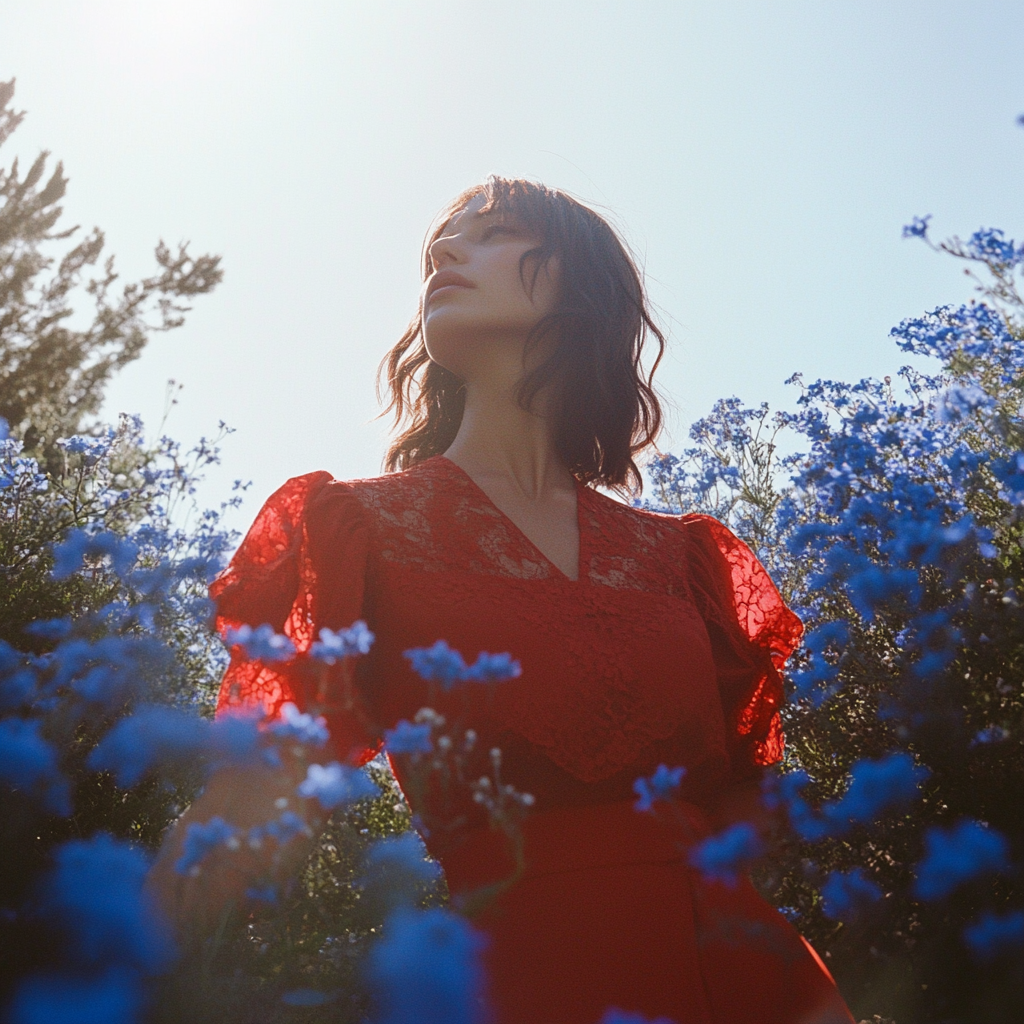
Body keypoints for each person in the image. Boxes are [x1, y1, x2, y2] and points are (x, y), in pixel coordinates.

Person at [148, 177, 855, 1024]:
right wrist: (101, 962)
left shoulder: (688, 559)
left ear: (581, 285)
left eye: (495, 233)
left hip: (748, 977)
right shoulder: (351, 531)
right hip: (523, 980)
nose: (445, 253)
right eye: (441, 244)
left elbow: (748, 813)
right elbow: (251, 808)